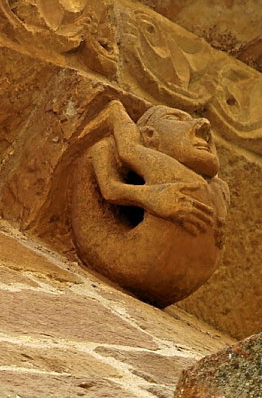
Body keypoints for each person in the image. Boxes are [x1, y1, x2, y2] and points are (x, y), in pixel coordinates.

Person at [70, 99, 230, 306]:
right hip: (123, 256)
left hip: (173, 281)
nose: (204, 124)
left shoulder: (218, 188)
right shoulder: (121, 152)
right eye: (175, 118)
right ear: (150, 136)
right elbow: (110, 188)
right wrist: (152, 197)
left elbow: (212, 167)